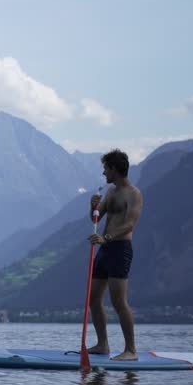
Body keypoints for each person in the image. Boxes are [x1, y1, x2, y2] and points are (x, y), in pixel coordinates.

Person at [86, 149, 144, 361]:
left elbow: (130, 224)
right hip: (105, 248)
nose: (103, 174)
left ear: (114, 169)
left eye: (105, 169)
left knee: (119, 301)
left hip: (120, 249)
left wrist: (107, 237)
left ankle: (131, 350)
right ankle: (103, 345)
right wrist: (92, 206)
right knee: (93, 298)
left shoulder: (134, 194)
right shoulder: (110, 192)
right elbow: (96, 217)